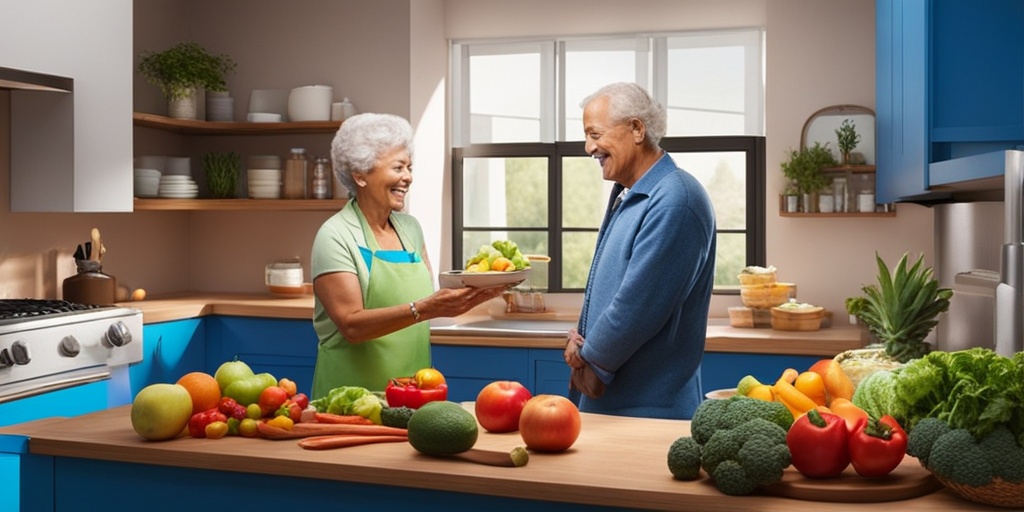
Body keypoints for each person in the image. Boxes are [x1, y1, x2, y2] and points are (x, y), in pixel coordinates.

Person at [310, 113, 504, 400]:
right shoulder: (335, 235)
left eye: (409, 167)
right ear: (360, 175)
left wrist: (475, 294)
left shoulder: (410, 229)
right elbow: (351, 325)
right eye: (398, 167)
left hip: (413, 395)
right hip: (348, 400)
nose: (408, 177)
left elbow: (428, 304)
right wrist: (425, 308)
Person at [563, 82, 717, 420]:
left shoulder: (677, 199)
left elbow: (636, 304)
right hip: (614, 403)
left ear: (636, 129)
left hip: (649, 408)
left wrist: (588, 354)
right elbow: (609, 288)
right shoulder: (630, 193)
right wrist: (579, 337)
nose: (589, 147)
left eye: (595, 134)